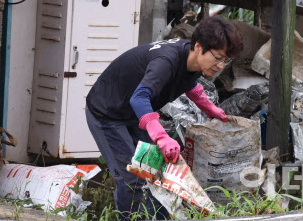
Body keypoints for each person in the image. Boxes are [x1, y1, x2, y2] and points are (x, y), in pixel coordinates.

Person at [85, 16, 244, 220]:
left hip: (134, 114)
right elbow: (140, 97)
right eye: (218, 57)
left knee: (156, 173)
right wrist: (161, 137)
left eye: (226, 60)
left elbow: (189, 84)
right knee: (131, 179)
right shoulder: (166, 61)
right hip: (107, 113)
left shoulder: (193, 60)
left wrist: (211, 108)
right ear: (198, 46)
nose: (221, 65)